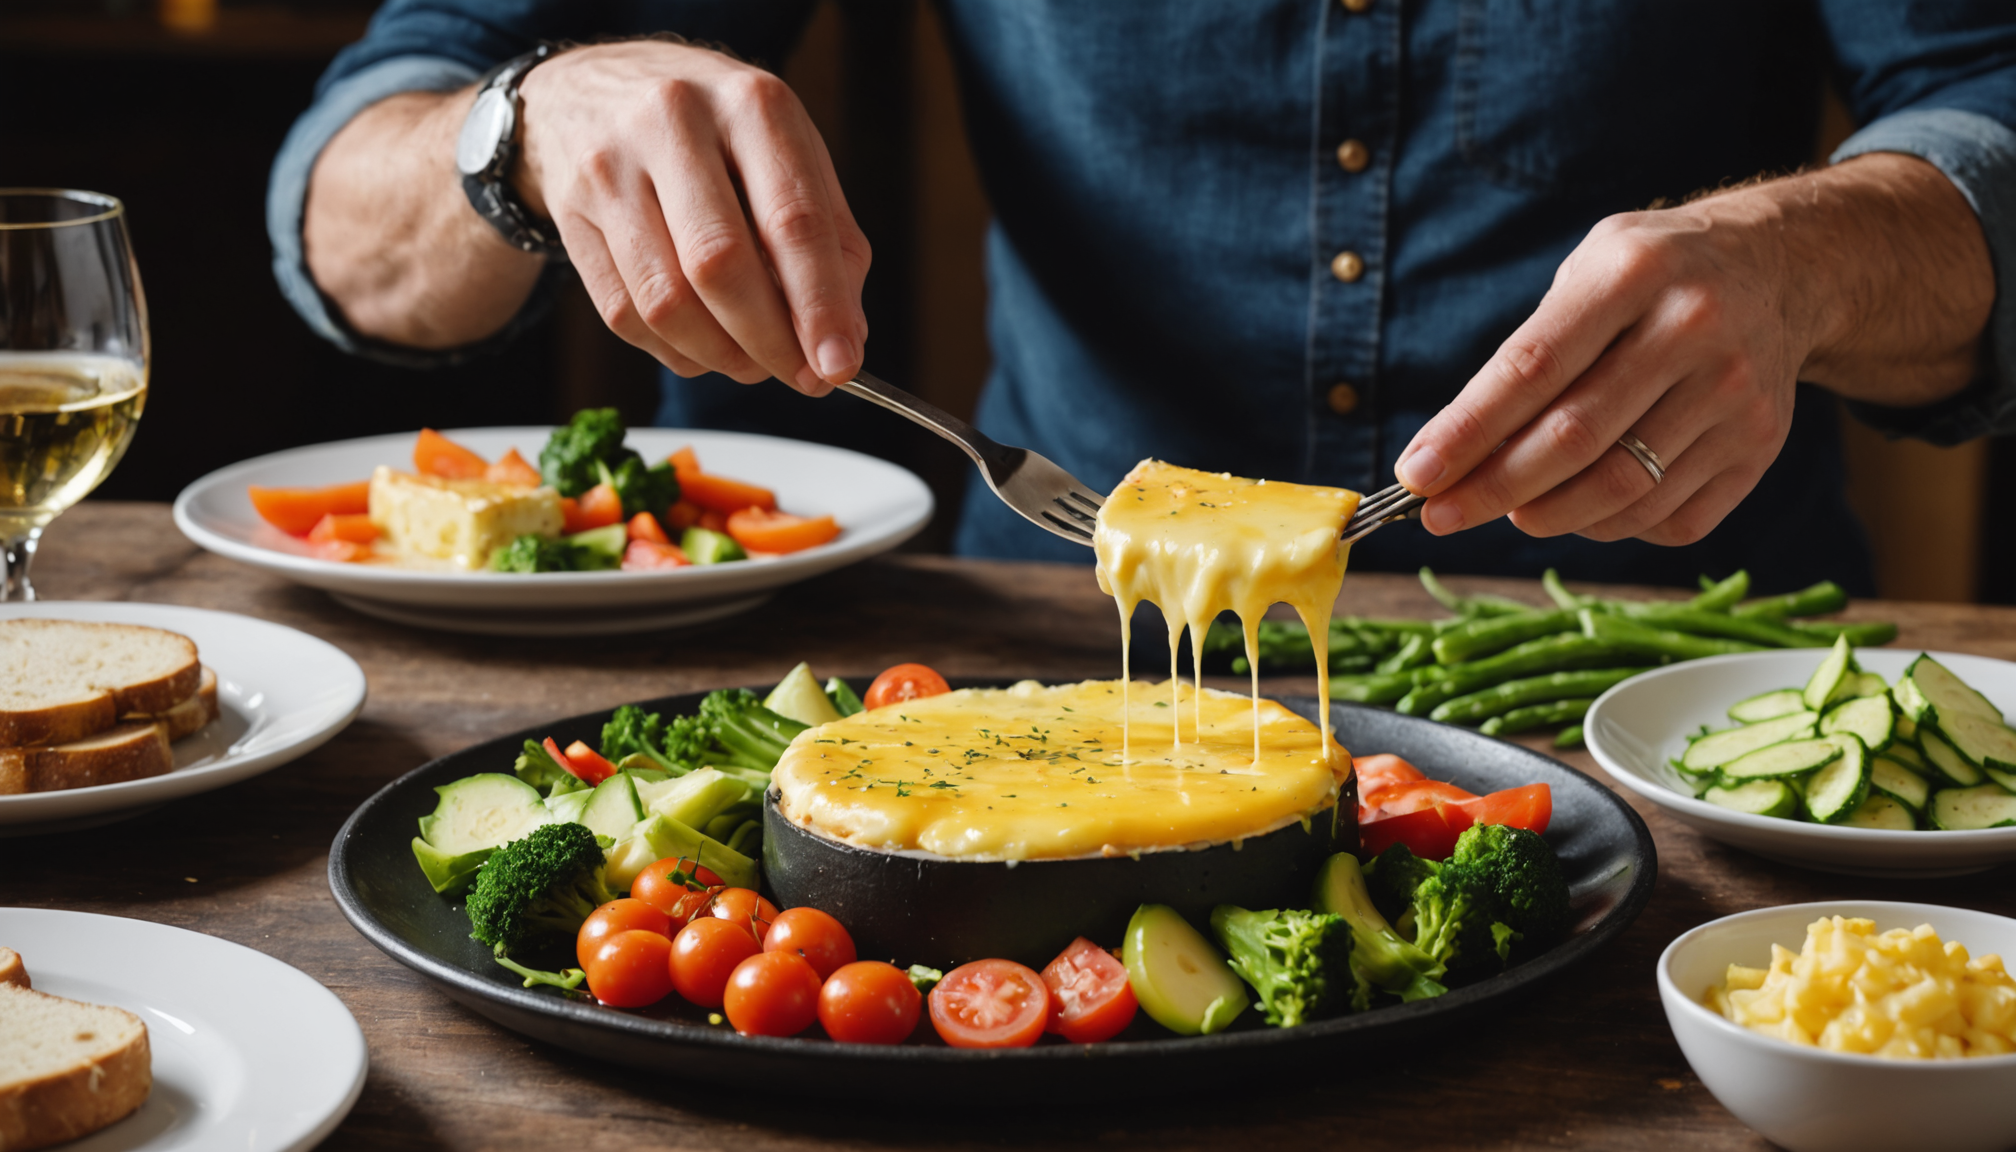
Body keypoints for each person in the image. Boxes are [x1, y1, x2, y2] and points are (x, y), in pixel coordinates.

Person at [270, 3, 2016, 594]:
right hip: (1049, 651)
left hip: (1665, 675)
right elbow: (355, 217)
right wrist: (520, 126)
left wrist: (1800, 259)